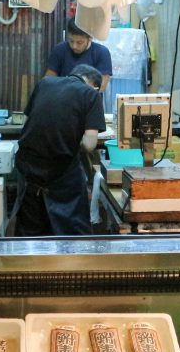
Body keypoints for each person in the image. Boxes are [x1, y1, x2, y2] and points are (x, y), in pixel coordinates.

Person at [12, 64, 106, 237]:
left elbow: (25, 122)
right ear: (95, 86)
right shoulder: (91, 95)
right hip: (58, 169)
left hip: (27, 166)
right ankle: (71, 255)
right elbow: (89, 145)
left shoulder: (45, 83)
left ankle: (32, 259)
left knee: (31, 227)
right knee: (72, 225)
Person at [45, 21, 112, 92]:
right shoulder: (59, 50)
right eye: (71, 41)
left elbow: (102, 86)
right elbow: (49, 80)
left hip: (90, 99)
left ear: (90, 38)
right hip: (63, 97)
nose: (74, 46)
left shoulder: (102, 52)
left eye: (79, 42)